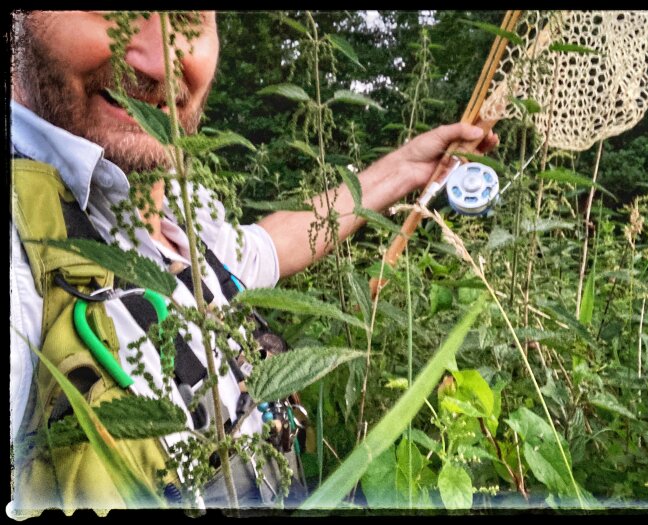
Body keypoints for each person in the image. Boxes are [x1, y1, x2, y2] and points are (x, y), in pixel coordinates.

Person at [9, 10, 498, 512]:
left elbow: (268, 246)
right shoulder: (23, 257)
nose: (163, 63)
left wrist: (405, 168)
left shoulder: (180, 216)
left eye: (188, 16)